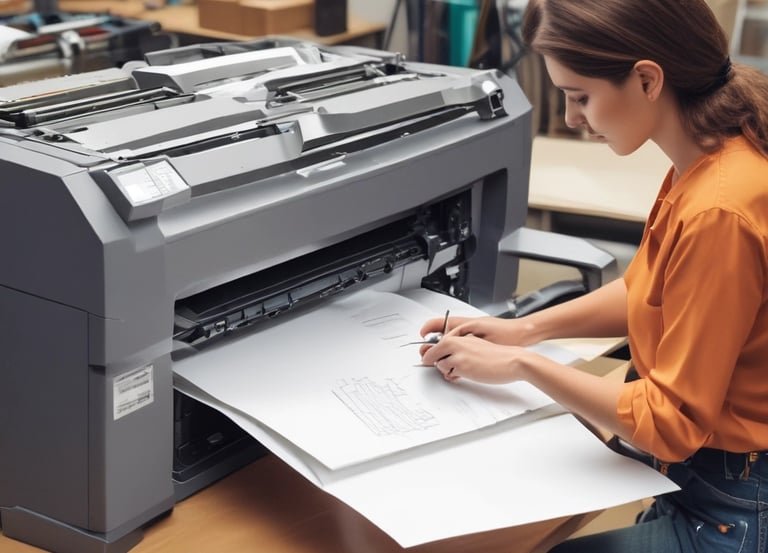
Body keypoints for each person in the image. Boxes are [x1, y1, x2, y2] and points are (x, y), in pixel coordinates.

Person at [418, 1, 768, 552]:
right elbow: (646, 290)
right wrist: (525, 330)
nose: (573, 117)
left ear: (648, 79)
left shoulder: (718, 209)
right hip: (705, 484)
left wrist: (522, 366)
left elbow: (671, 425)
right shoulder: (707, 157)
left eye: (580, 96)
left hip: (732, 506)